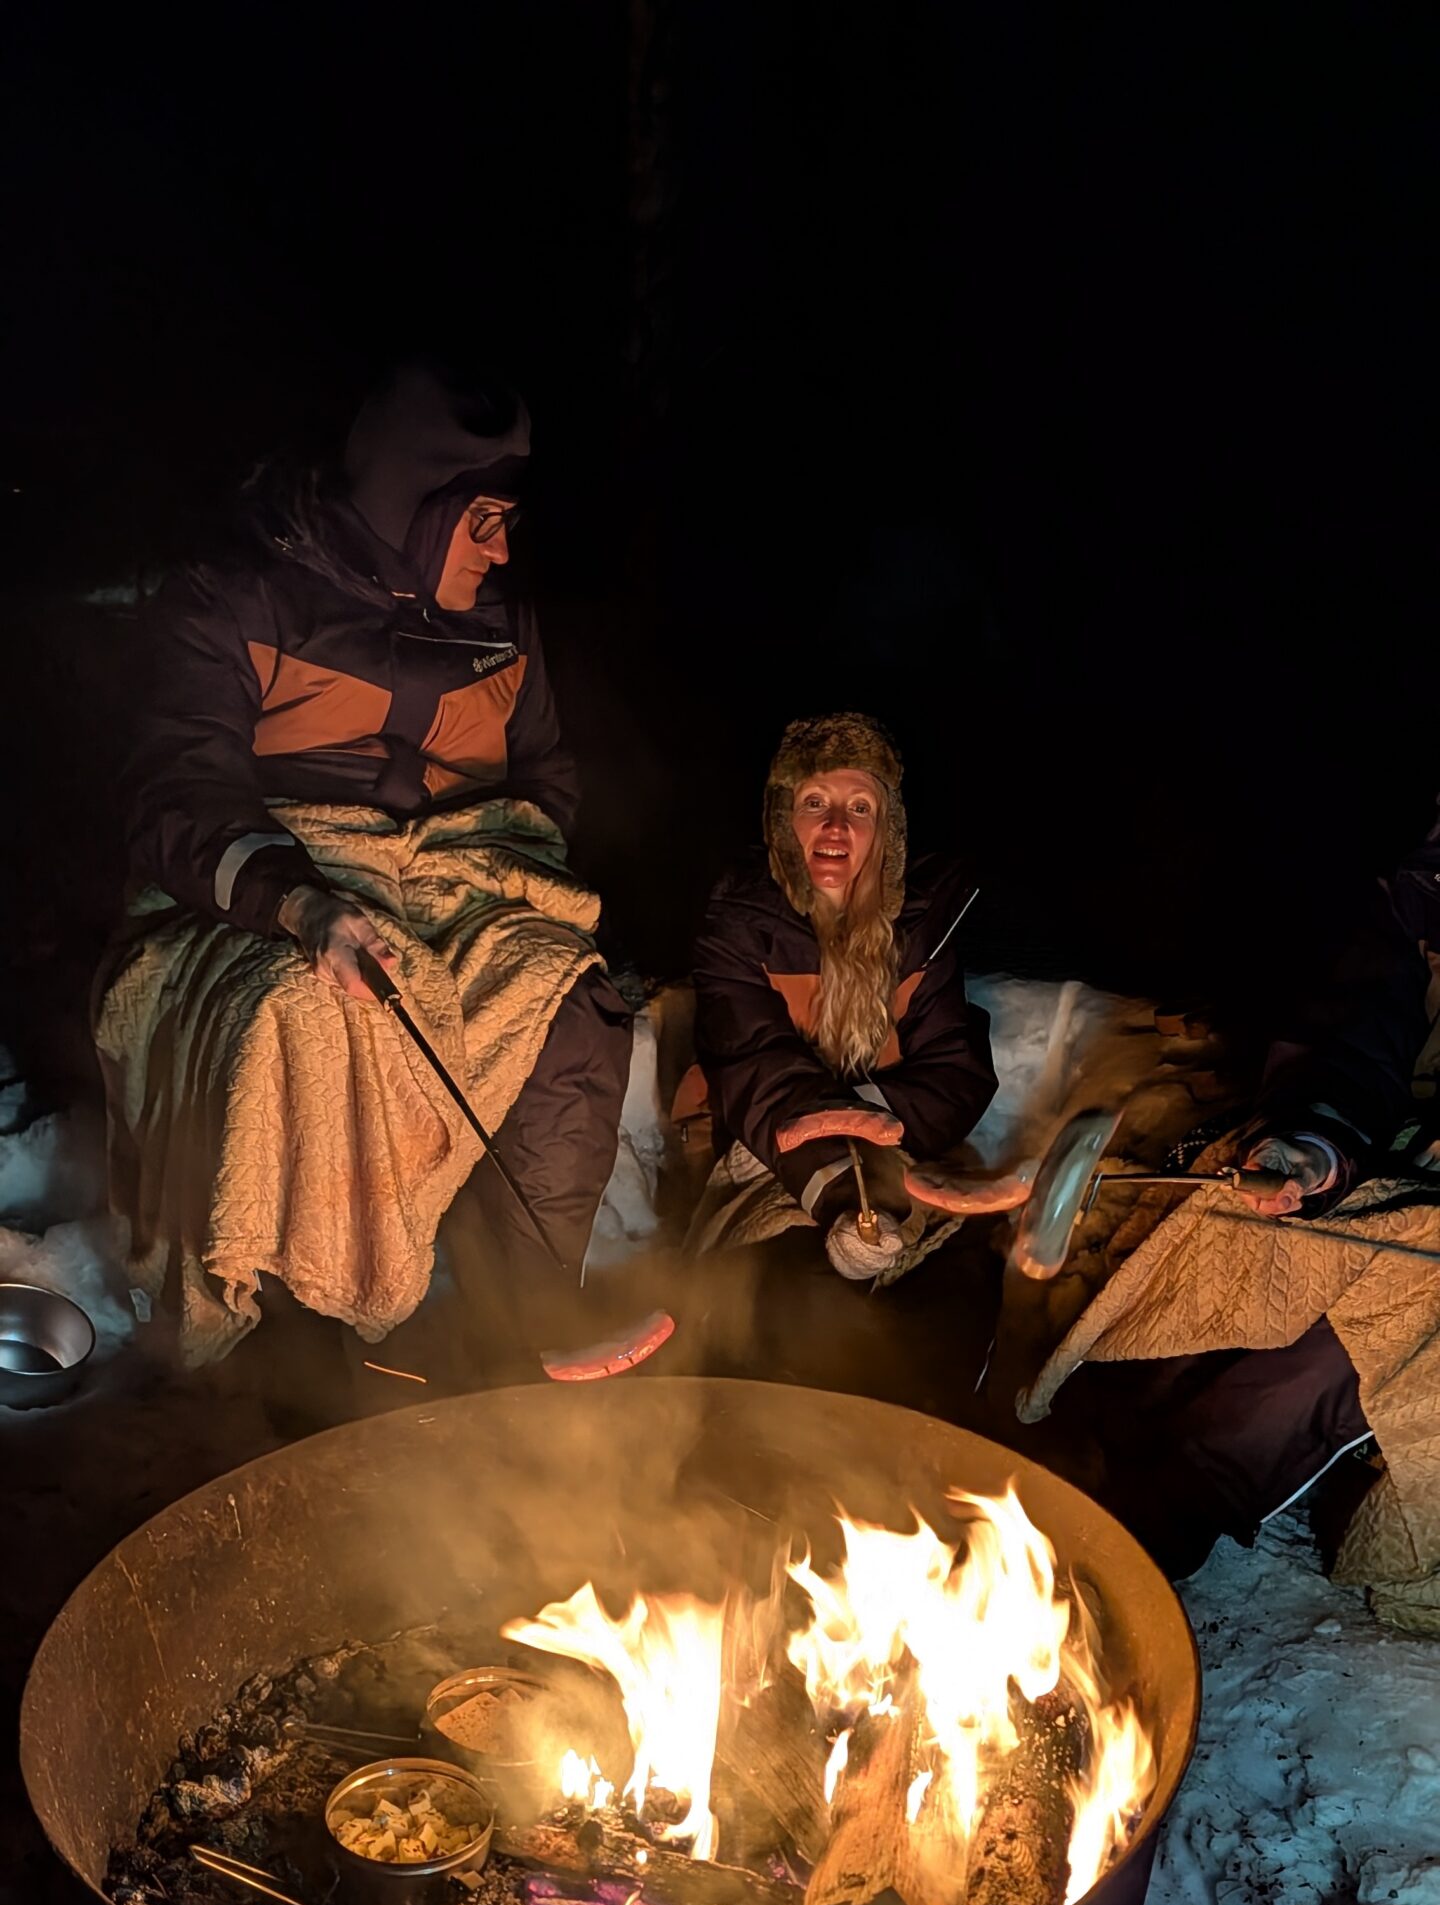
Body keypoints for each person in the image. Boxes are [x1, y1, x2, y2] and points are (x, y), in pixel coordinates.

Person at [97, 359, 635, 1371]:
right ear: (413, 504)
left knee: (568, 999)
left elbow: (544, 780)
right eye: (481, 518)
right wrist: (299, 897)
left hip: (458, 889)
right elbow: (174, 793)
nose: (502, 544)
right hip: (268, 895)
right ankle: (298, 1337)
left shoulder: (503, 627)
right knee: (311, 1011)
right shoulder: (238, 598)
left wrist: (475, 869)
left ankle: (522, 1324)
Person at [1028, 855, 1440, 1606]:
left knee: (1399, 1300)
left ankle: (1166, 1511)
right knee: (1242, 1220)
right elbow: (1359, 1032)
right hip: (1380, 1134)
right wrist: (1320, 1139)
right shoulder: (1420, 903)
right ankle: (1089, 1436)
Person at [686, 712, 999, 1397]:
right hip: (772, 1163)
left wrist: (876, 1135)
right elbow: (754, 1069)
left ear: (885, 832)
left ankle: (920, 1466)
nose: (836, 827)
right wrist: (841, 1187)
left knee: (956, 1289)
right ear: (782, 823)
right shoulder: (739, 927)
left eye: (859, 807)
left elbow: (953, 1070)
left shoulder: (922, 930)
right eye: (814, 804)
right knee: (792, 1300)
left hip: (905, 1156)